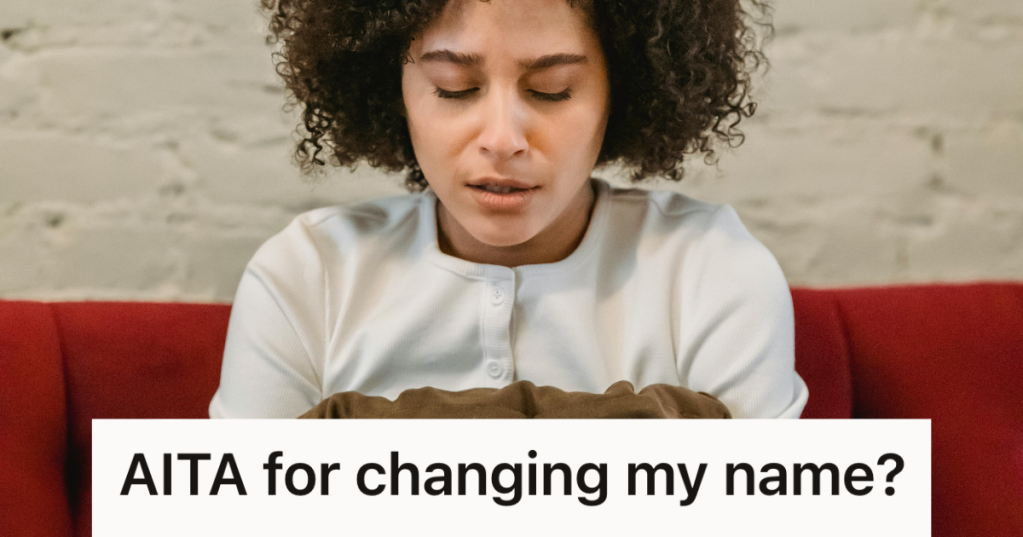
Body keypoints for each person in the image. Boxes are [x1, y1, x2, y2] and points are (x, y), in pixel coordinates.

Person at [209, 0, 809, 419]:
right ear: (395, 91)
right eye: (453, 87)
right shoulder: (304, 274)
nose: (502, 138)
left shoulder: (713, 270)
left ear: (620, 91)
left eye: (552, 91)